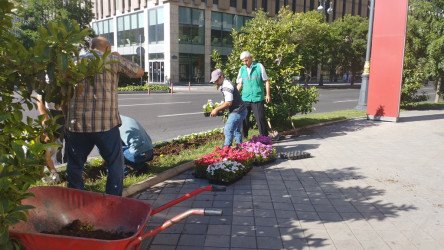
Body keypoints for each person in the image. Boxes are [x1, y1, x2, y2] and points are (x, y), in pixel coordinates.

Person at [65, 36, 144, 196]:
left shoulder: (75, 62)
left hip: (77, 124)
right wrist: (120, 57)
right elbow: (139, 72)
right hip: (106, 125)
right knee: (115, 163)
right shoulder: (112, 60)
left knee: (74, 165)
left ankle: (76, 200)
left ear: (90, 47)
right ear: (107, 48)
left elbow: (65, 90)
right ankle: (113, 200)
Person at [236, 51, 271, 137]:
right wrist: (235, 96)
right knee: (244, 118)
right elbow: (240, 84)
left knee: (260, 119)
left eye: (246, 60)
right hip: (245, 98)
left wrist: (268, 94)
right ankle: (244, 137)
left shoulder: (259, 66)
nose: (245, 63)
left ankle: (264, 138)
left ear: (251, 58)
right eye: (243, 61)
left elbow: (266, 81)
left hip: (257, 97)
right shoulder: (242, 69)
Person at [210, 69, 247, 147]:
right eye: (214, 81)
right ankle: (239, 148)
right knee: (236, 130)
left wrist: (216, 109)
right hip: (241, 109)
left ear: (222, 77)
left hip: (238, 111)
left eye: (216, 80)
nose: (216, 83)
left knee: (228, 130)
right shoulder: (225, 83)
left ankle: (226, 149)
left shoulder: (227, 86)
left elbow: (229, 103)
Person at [36, 91, 64, 184]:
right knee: (51, 149)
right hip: (54, 112)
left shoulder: (52, 143)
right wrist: (54, 172)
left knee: (56, 147)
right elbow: (46, 158)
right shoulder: (46, 140)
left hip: (64, 111)